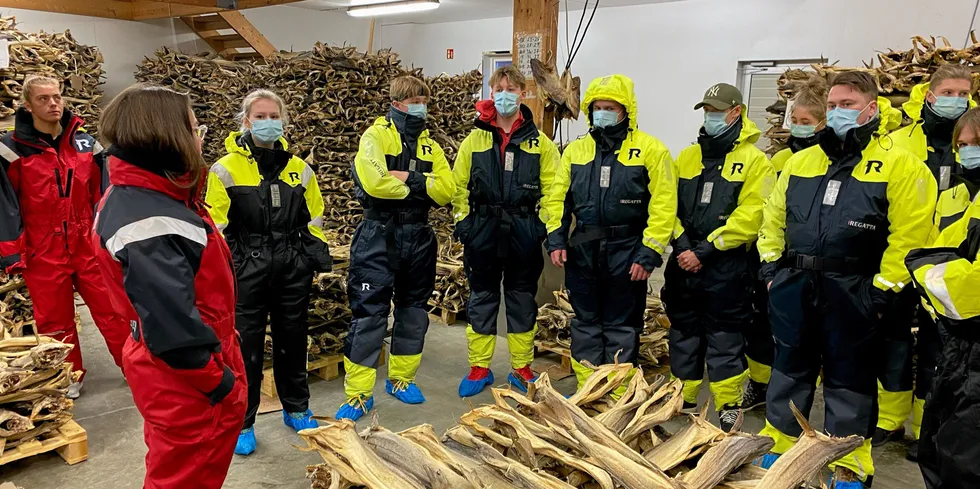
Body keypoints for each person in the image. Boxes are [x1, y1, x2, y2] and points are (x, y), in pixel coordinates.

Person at [757, 71, 937, 488]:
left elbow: (910, 236)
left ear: (872, 109)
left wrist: (881, 292)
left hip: (854, 291)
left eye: (848, 105)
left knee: (849, 381)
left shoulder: (900, 165)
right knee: (789, 372)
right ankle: (779, 454)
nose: (837, 112)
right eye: (833, 105)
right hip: (795, 286)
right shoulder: (800, 162)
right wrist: (771, 271)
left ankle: (849, 466)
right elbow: (773, 221)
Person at [92, 84, 247, 489]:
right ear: (168, 135)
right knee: (185, 475)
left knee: (175, 467)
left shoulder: (151, 196)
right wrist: (220, 383)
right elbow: (171, 327)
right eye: (195, 127)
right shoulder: (150, 223)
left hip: (178, 369)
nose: (200, 136)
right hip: (187, 380)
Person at [205, 89, 331, 455]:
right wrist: (235, 265)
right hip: (248, 270)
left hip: (292, 268)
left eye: (273, 115)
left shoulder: (299, 169)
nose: (267, 122)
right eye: (259, 116)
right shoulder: (225, 168)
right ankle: (243, 422)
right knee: (245, 348)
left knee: (293, 340)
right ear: (245, 121)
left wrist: (308, 258)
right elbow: (217, 226)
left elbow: (315, 217)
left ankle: (296, 407)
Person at [545, 74, 676, 394]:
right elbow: (557, 198)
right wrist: (557, 238)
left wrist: (649, 253)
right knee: (585, 322)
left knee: (621, 324)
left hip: (628, 250)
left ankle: (617, 393)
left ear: (626, 111)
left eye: (610, 108)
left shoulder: (650, 150)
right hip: (584, 249)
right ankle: (588, 388)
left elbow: (664, 204)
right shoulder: (576, 151)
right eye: (597, 107)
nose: (602, 113)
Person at [0, 75, 129, 398]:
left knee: (114, 310)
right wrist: (12, 251)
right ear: (27, 106)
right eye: (43, 99)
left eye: (57, 97)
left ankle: (132, 365)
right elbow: (5, 204)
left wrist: (111, 237)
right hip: (42, 247)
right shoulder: (10, 149)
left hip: (88, 241)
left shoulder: (86, 144)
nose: (53, 104)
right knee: (54, 320)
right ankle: (68, 375)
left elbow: (105, 193)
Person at [338, 76, 455, 421]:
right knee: (369, 313)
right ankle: (359, 394)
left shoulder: (430, 147)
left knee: (413, 311)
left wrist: (406, 179)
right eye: (416, 99)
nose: (422, 106)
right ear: (398, 102)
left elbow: (447, 191)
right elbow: (374, 184)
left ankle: (401, 380)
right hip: (379, 233)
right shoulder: (375, 137)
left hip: (419, 236)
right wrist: (423, 187)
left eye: (425, 100)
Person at [876, 66, 975, 457]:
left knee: (940, 350)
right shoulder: (898, 143)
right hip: (903, 257)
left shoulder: (973, 138)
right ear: (929, 94)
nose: (956, 99)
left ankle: (925, 427)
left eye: (963, 92)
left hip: (950, 266)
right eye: (948, 91)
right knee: (894, 342)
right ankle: (890, 418)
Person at [662, 83, 773, 431]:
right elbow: (666, 205)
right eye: (706, 111)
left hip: (725, 266)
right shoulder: (687, 157)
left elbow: (753, 214)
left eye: (716, 111)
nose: (709, 117)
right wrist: (681, 247)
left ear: (736, 112)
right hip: (684, 264)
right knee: (684, 335)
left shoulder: (756, 162)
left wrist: (705, 250)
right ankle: (684, 397)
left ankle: (728, 404)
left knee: (726, 339)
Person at [452, 65, 559, 397]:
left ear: (522, 94)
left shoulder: (539, 143)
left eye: (511, 89)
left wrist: (541, 228)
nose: (504, 95)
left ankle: (521, 367)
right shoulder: (475, 139)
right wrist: (464, 224)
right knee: (482, 297)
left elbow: (553, 190)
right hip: (482, 229)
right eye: (498, 88)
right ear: (490, 92)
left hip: (523, 230)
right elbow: (458, 186)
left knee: (521, 299)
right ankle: (479, 367)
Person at [905, 108, 980, 489]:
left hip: (975, 344)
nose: (968, 153)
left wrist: (929, 273)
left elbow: (970, 285)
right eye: (962, 145)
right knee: (939, 448)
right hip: (954, 341)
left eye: (976, 144)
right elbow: (932, 249)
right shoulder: (952, 197)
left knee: (966, 458)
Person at [745, 77, 827, 414]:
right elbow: (770, 213)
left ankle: (798, 403)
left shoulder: (832, 166)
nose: (798, 128)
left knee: (807, 339)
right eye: (795, 121)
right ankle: (761, 385)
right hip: (778, 264)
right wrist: (769, 267)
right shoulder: (780, 162)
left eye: (806, 123)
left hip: (817, 267)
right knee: (762, 326)